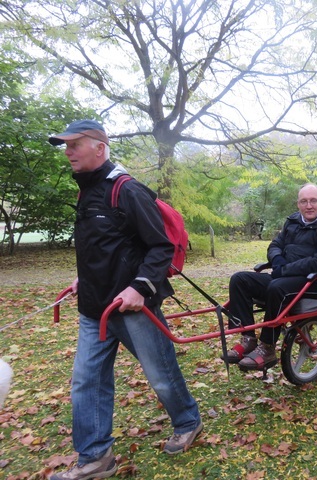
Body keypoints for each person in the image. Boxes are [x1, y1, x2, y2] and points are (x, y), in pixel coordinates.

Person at [48, 120, 202, 480]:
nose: (68, 151)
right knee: (87, 381)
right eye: (65, 146)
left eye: (74, 144)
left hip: (134, 309)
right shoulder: (87, 191)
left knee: (161, 375)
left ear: (99, 148)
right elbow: (103, 246)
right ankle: (96, 458)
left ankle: (188, 421)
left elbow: (160, 246)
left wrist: (139, 287)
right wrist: (83, 279)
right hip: (94, 310)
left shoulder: (126, 190)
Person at [224, 183, 317, 370]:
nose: (309, 206)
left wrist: (285, 269)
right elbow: (275, 245)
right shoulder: (293, 221)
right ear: (298, 204)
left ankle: (267, 347)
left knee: (277, 287)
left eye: (313, 201)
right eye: (303, 201)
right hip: (287, 277)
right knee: (239, 280)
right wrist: (278, 259)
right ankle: (248, 337)